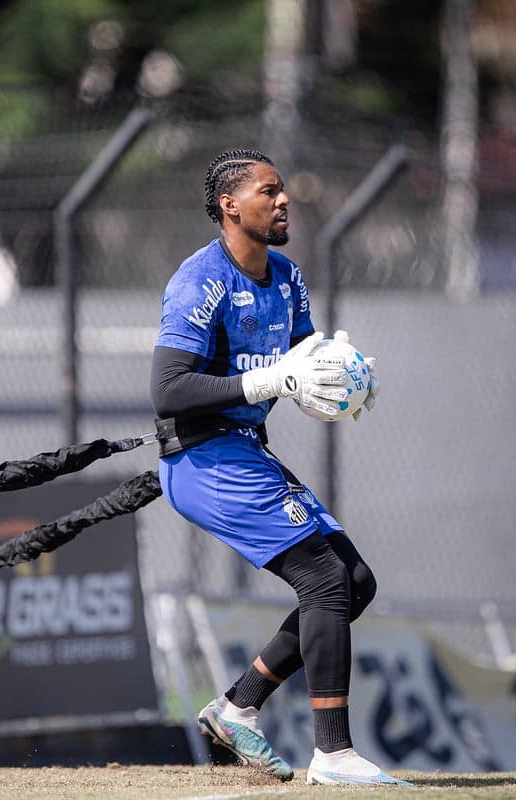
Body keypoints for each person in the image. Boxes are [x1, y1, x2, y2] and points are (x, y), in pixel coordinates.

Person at [149, 149, 410, 787]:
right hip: (202, 457)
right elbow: (168, 389)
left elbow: (305, 359)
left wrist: (344, 377)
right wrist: (273, 377)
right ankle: (333, 753)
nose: (284, 200)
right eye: (269, 192)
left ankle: (237, 706)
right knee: (324, 581)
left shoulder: (287, 275)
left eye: (284, 190)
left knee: (353, 582)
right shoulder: (200, 279)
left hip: (244, 451)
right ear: (231, 206)